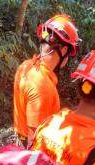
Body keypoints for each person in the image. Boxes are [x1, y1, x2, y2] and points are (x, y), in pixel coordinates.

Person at [13, 14, 80, 147]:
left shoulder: (26, 66)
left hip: (21, 139)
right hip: (32, 149)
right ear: (64, 49)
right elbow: (35, 142)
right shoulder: (42, 86)